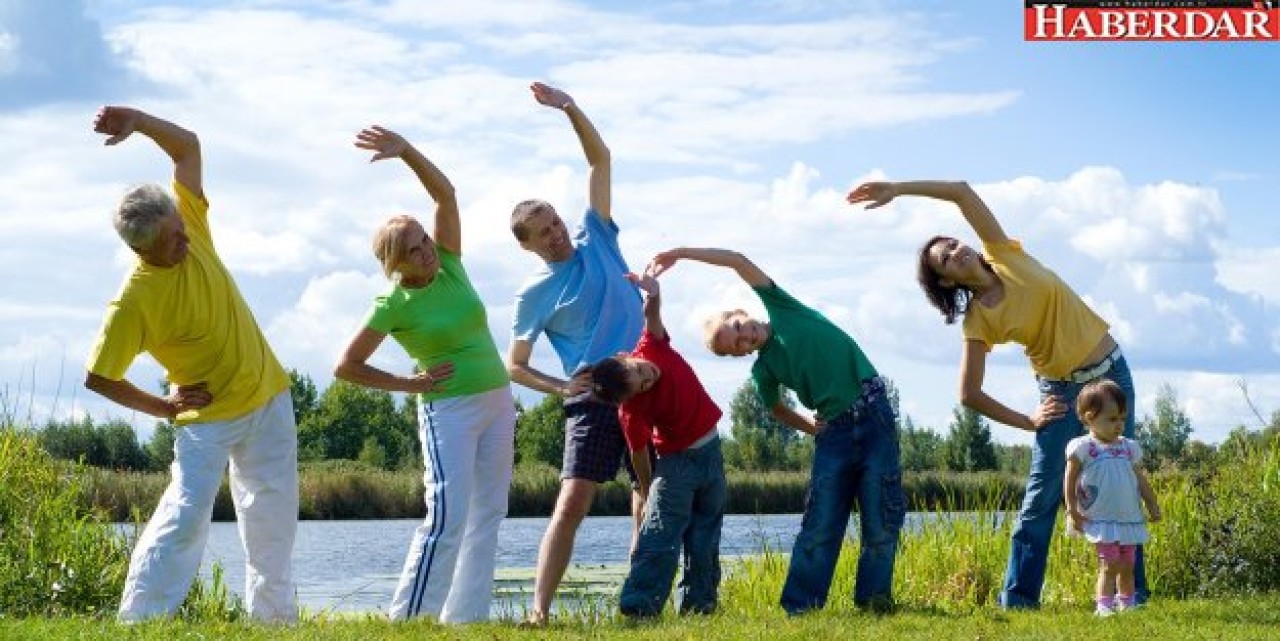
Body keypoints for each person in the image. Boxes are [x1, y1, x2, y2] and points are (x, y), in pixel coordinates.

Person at [847, 179, 1149, 608]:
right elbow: (969, 393)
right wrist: (1027, 421)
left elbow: (962, 192)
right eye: (945, 259)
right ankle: (1019, 600)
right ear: (948, 282)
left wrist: (897, 189)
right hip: (1062, 394)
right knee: (1042, 499)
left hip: (1112, 371)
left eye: (953, 243)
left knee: (1121, 485)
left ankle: (1132, 596)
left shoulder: (1002, 252)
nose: (956, 251)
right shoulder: (978, 321)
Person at [84, 107, 297, 623]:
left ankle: (273, 625)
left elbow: (188, 148)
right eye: (171, 243)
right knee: (185, 517)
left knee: (272, 524)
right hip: (207, 419)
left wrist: (137, 120)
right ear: (142, 250)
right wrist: (162, 405)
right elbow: (100, 377)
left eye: (180, 230)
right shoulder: (133, 302)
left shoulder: (189, 222)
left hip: (268, 395)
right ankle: (140, 621)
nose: (184, 242)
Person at [647, 247, 905, 615]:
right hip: (835, 434)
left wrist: (682, 253)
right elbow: (776, 409)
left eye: (737, 328)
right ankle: (800, 607)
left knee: (881, 516)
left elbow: (737, 261)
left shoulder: (782, 308)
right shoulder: (763, 372)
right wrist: (811, 428)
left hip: (873, 412)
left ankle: (874, 601)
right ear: (739, 355)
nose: (743, 337)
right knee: (820, 523)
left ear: (741, 313)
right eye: (736, 344)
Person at [333, 126, 516, 623]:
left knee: (488, 514)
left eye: (425, 240)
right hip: (449, 410)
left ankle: (466, 618)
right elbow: (346, 366)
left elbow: (445, 193)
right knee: (447, 518)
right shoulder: (394, 302)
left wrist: (407, 152)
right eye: (414, 249)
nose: (427, 250)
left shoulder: (451, 264)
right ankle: (409, 621)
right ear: (396, 262)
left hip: (498, 401)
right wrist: (408, 384)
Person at [506, 82, 645, 625]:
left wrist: (569, 109)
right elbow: (513, 364)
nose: (557, 236)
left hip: (644, 380)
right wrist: (562, 386)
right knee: (572, 501)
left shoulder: (598, 239)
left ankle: (638, 600)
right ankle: (539, 612)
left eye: (556, 224)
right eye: (543, 234)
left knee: (648, 493)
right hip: (591, 398)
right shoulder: (533, 294)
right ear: (528, 245)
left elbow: (600, 159)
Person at [586, 271, 726, 618]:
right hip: (676, 464)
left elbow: (652, 313)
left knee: (705, 536)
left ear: (626, 355)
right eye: (640, 386)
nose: (647, 379)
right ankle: (639, 608)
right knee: (661, 537)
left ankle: (699, 607)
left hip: (712, 453)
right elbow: (637, 451)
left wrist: (653, 292)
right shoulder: (631, 408)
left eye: (640, 372)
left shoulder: (652, 345)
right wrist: (648, 491)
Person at [1064, 379, 1161, 616]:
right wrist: (1072, 508)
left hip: (1128, 516)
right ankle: (1104, 606)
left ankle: (1126, 603)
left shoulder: (1128, 448)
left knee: (1128, 563)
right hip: (1101, 517)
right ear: (1089, 418)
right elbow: (1069, 479)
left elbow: (1140, 480)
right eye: (1112, 419)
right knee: (1109, 564)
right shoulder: (1084, 448)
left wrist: (1151, 503)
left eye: (1122, 419)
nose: (1119, 425)